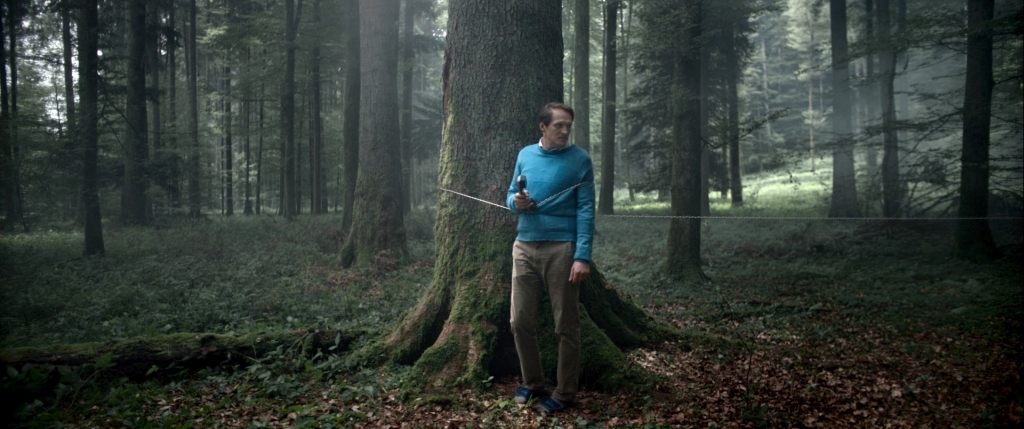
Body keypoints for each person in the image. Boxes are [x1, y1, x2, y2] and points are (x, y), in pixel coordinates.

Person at [506, 102, 595, 413]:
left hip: (562, 250)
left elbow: (586, 209)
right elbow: (510, 195)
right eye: (559, 125)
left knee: (565, 326)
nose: (565, 130)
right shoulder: (525, 155)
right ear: (543, 127)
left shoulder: (580, 160)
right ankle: (533, 384)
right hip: (524, 246)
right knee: (519, 321)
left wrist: (582, 256)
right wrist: (518, 202)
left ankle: (565, 393)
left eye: (568, 125)